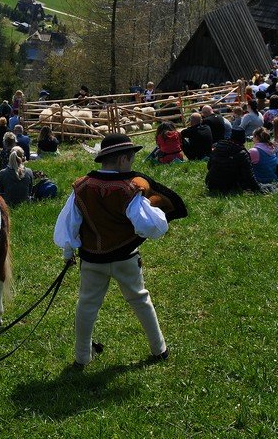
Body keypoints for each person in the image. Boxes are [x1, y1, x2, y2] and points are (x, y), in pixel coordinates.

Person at [55, 133, 184, 368]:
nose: (132, 164)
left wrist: (68, 251)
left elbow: (69, 224)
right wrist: (153, 211)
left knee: (86, 305)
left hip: (92, 259)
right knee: (140, 299)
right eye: (131, 159)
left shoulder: (81, 187)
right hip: (126, 258)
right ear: (123, 159)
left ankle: (82, 357)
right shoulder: (130, 189)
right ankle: (159, 349)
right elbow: (151, 226)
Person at [205, 128, 259, 194]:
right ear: (243, 140)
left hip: (211, 183)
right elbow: (249, 176)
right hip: (229, 186)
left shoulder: (218, 147)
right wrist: (258, 189)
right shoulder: (241, 153)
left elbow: (209, 166)